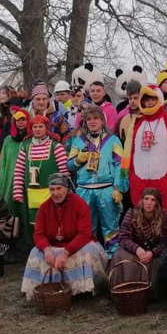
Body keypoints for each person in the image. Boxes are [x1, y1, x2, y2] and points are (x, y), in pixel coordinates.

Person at [21, 173, 109, 298]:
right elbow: (38, 234)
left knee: (88, 252)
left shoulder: (80, 204)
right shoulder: (44, 207)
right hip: (54, 245)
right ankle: (47, 290)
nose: (55, 193)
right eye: (52, 189)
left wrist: (65, 253)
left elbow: (85, 234)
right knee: (35, 253)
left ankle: (82, 291)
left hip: (78, 245)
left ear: (67, 189)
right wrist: (46, 249)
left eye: (59, 188)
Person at [68, 105, 127, 251]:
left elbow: (121, 165)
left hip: (107, 190)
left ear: (102, 121)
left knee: (111, 229)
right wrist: (78, 159)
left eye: (96, 118)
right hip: (84, 191)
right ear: (85, 122)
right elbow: (69, 165)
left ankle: (112, 262)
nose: (92, 122)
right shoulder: (78, 141)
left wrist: (117, 187)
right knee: (86, 230)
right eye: (89, 119)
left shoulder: (113, 140)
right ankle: (90, 262)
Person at [13, 114, 70, 242]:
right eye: (35, 127)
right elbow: (18, 171)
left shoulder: (56, 147)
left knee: (53, 223)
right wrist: (17, 192)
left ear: (46, 129)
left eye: (41, 126)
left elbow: (64, 172)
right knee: (36, 225)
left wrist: (66, 192)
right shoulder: (25, 147)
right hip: (32, 194)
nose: (37, 129)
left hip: (53, 194)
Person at [111, 186, 167, 296]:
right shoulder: (132, 213)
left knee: (162, 258)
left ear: (157, 203)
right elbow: (123, 237)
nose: (149, 203)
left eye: (153, 200)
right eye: (146, 199)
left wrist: (152, 253)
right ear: (142, 200)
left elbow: (166, 242)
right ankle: (126, 291)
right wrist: (137, 249)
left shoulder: (164, 216)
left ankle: (149, 293)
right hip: (135, 250)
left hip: (154, 253)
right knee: (119, 255)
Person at [129, 84, 167, 212]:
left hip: (165, 180)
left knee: (164, 214)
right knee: (142, 214)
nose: (149, 103)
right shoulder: (138, 123)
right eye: (146, 100)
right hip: (140, 179)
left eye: (152, 99)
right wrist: (129, 175)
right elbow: (130, 151)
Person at [0, 106, 31, 239]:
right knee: (11, 210)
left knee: (26, 211)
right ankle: (11, 242)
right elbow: (3, 162)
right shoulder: (8, 141)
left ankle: (28, 241)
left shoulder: (31, 139)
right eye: (17, 120)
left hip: (27, 180)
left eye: (23, 119)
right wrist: (1, 183)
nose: (21, 122)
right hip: (11, 180)